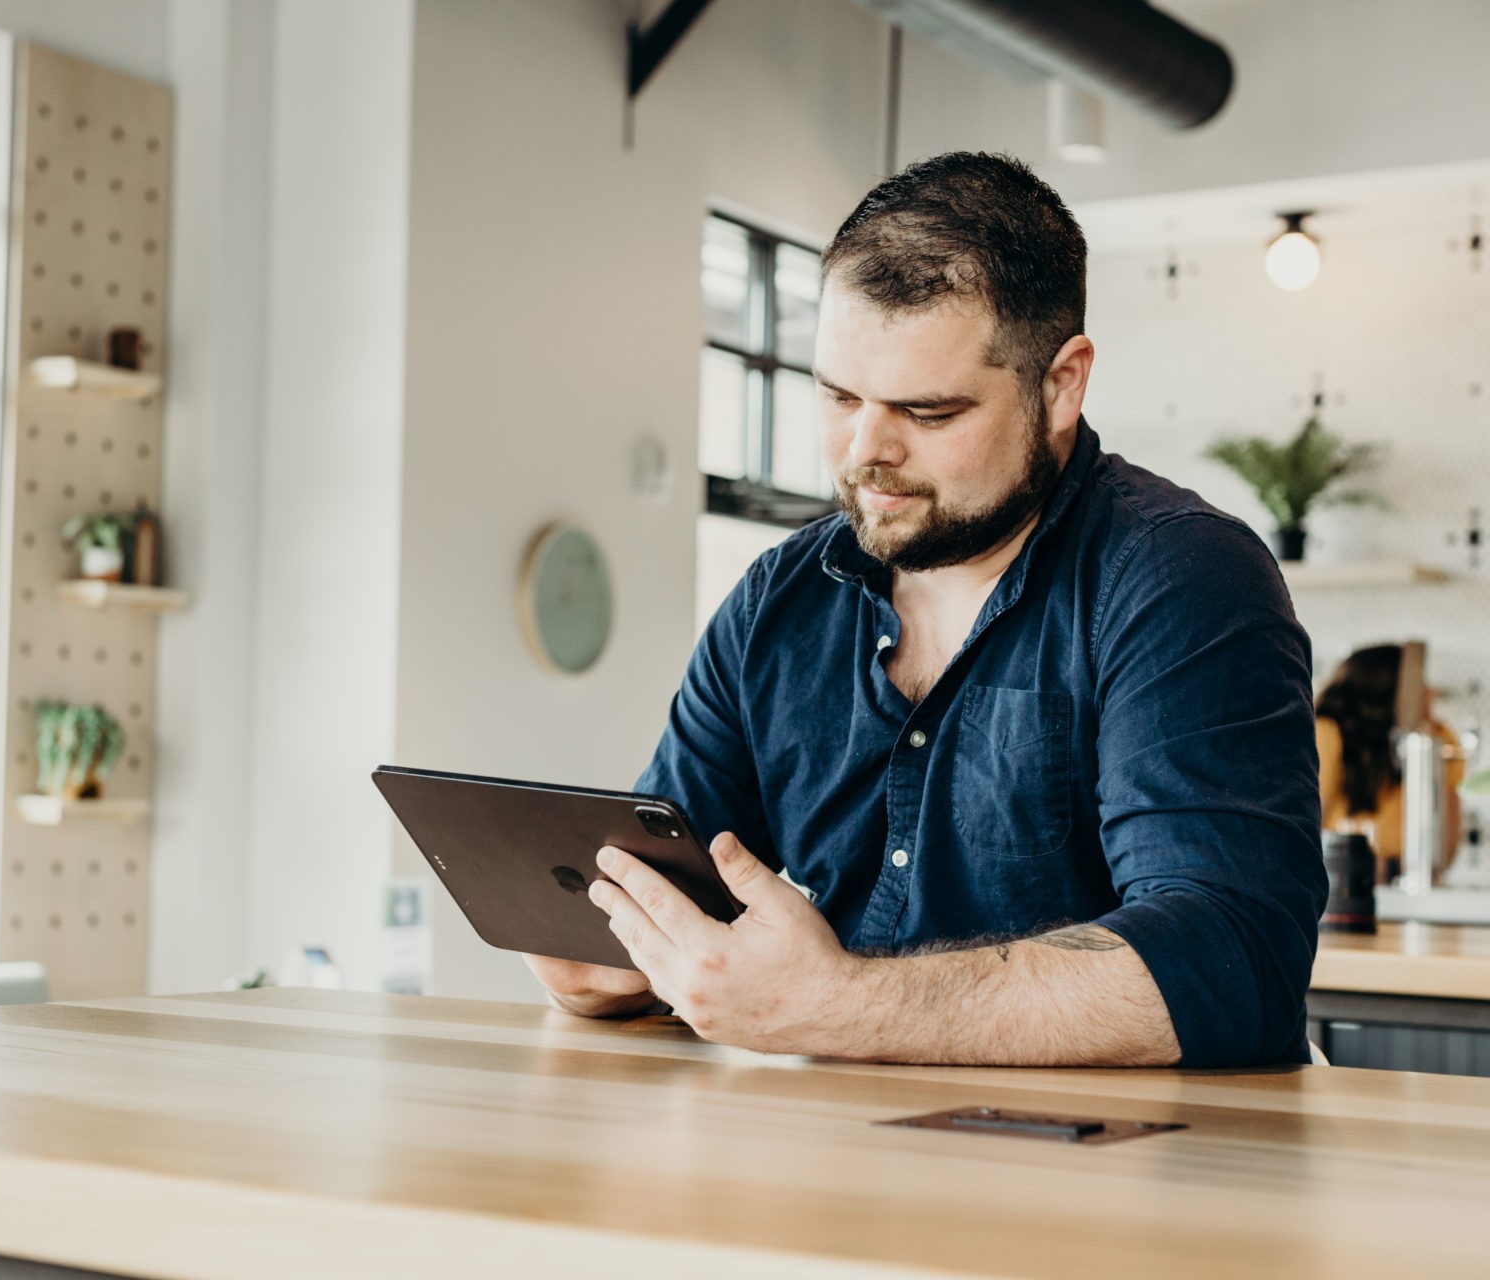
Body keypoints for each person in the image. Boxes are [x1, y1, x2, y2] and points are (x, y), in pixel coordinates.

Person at [524, 152, 1326, 1069]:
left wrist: (842, 1006)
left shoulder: (1180, 577)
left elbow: (1231, 961)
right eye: (836, 394)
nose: (866, 451)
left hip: (1125, 1177)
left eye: (929, 411)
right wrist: (615, 955)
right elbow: (661, 884)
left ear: (1061, 385)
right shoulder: (778, 602)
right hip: (840, 1161)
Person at [1315, 644, 1463, 881]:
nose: (1430, 692)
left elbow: (1445, 852)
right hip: (1339, 883)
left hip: (1406, 882)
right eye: (1418, 685)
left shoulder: (1438, 739)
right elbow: (1309, 829)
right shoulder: (1327, 733)